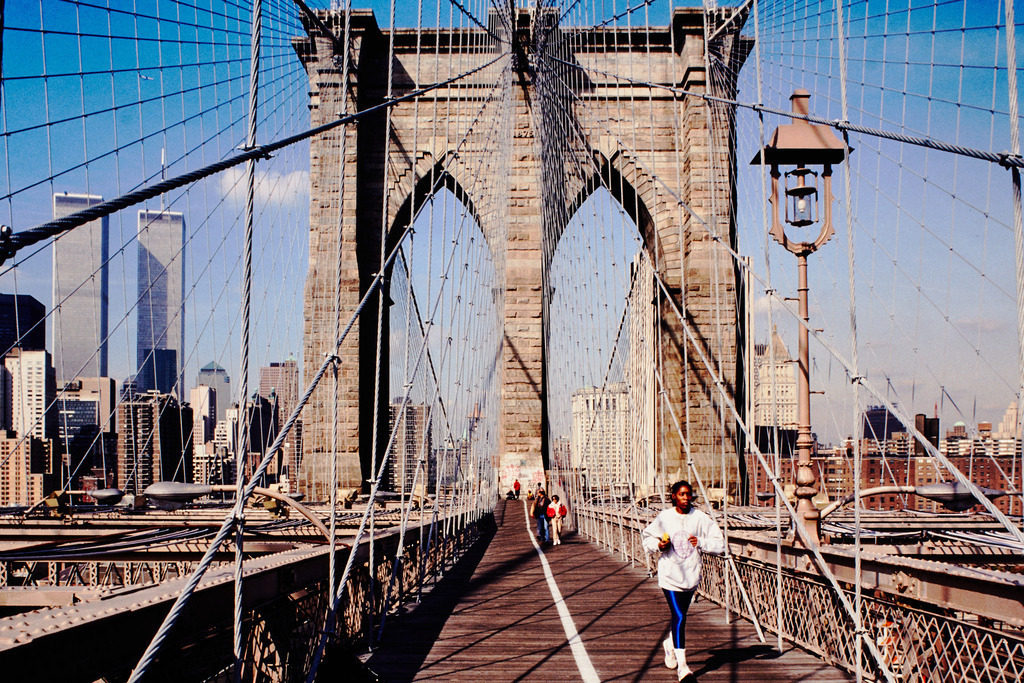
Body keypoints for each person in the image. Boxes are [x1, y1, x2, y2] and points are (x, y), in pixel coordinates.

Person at [641, 481, 724, 681]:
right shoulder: (665, 517)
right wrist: (659, 545)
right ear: (674, 497)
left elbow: (720, 543)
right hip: (669, 576)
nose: (686, 498)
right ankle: (683, 668)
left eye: (689, 494)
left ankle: (670, 644)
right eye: (682, 494)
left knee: (681, 616)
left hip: (691, 575)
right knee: (679, 616)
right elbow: (646, 538)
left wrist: (702, 542)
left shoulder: (700, 518)